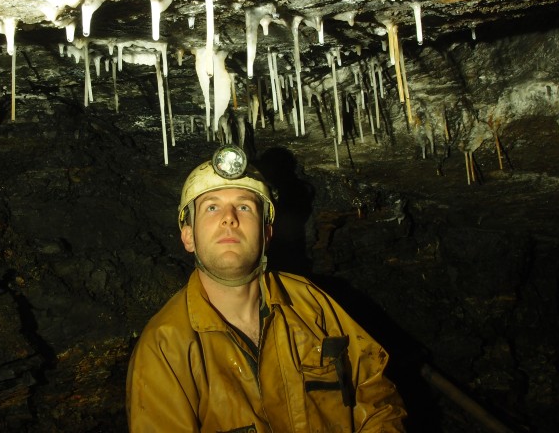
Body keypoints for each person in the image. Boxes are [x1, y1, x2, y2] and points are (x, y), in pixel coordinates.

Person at [126, 145, 407, 432]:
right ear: (188, 236)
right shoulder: (165, 347)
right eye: (212, 207)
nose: (229, 218)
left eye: (245, 206)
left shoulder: (312, 305)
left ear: (267, 233)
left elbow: (377, 399)